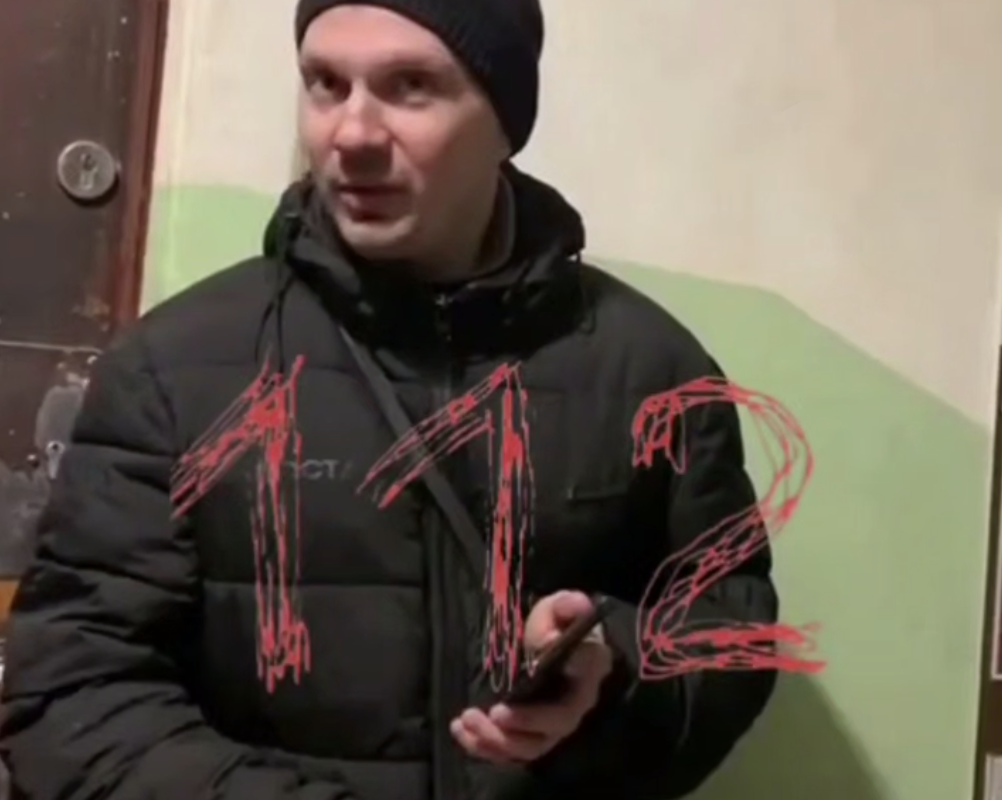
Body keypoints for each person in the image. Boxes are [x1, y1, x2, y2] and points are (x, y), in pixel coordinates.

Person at [0, 1, 780, 799]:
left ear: (507, 119)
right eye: (326, 84)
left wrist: (611, 670)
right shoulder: (171, 370)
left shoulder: (653, 370)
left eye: (411, 86)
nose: (353, 134)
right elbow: (71, 695)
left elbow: (731, 636)